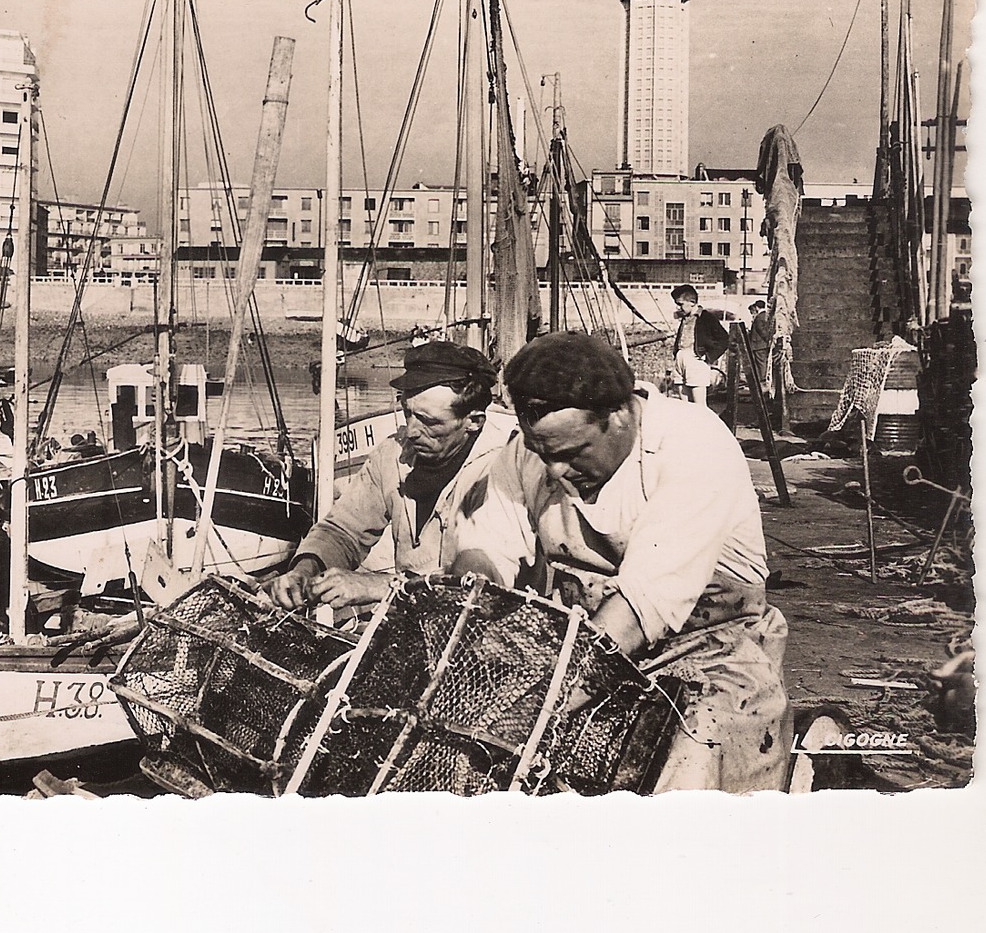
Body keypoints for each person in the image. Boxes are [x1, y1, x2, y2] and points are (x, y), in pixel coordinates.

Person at [450, 331, 791, 793]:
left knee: (689, 767)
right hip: (576, 639)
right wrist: (472, 604)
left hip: (711, 647)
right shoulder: (531, 453)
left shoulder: (693, 443)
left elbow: (639, 605)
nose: (554, 472)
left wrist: (541, 707)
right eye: (542, 454)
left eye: (570, 454)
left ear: (621, 414)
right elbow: (483, 549)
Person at [268, 340, 514, 612]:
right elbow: (344, 531)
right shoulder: (393, 455)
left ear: (474, 421)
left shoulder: (501, 471)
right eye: (407, 413)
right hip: (414, 626)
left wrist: (376, 586)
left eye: (429, 421)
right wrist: (305, 569)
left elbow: (479, 584)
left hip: (485, 634)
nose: (411, 431)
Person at [670, 284, 730, 405]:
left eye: (680, 304)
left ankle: (702, 424)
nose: (678, 307)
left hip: (696, 360)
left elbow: (724, 339)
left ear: (692, 302)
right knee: (684, 404)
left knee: (699, 405)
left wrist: (708, 356)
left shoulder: (706, 317)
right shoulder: (685, 318)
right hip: (681, 359)